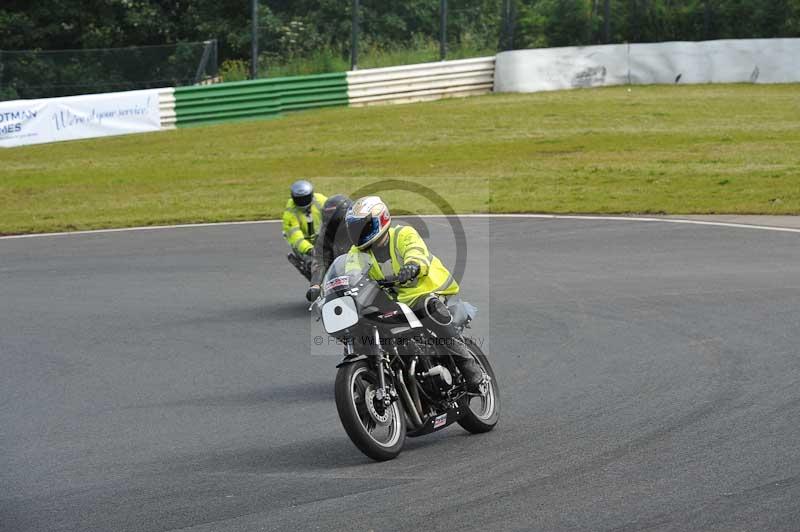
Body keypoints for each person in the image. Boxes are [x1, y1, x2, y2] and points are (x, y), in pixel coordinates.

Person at [343, 195, 485, 389]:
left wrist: (413, 266)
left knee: (429, 308)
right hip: (395, 301)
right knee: (363, 323)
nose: (359, 233)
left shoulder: (403, 234)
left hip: (427, 290)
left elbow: (415, 251)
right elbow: (350, 274)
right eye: (355, 229)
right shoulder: (356, 253)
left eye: (364, 227)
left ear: (381, 219)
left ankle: (471, 369)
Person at [305, 194, 353, 302]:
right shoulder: (325, 234)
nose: (332, 225)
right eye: (329, 222)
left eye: (335, 221)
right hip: (339, 276)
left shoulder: (359, 228)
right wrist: (315, 285)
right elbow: (320, 259)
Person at [282, 180, 327, 281]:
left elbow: (335, 210)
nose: (303, 201)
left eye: (305, 198)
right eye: (299, 199)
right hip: (305, 247)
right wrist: (310, 250)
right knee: (315, 265)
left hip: (323, 239)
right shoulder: (290, 214)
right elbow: (297, 239)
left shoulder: (320, 200)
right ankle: (317, 286)